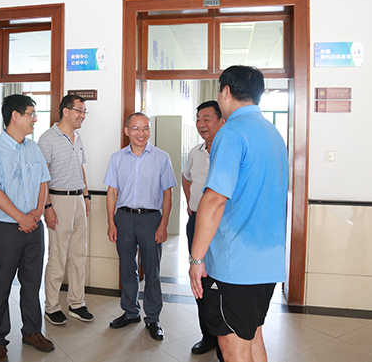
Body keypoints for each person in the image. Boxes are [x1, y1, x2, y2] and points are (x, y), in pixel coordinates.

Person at [189, 65, 288, 362]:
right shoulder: (272, 133)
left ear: (226, 91)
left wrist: (196, 259)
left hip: (236, 265)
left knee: (233, 347)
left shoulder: (231, 132)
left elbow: (215, 199)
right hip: (267, 262)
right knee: (253, 336)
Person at [0, 94, 53, 362]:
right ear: (15, 116)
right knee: (0, 286)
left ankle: (32, 331)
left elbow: (43, 181)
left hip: (34, 228)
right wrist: (21, 217)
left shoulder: (33, 148)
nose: (35, 119)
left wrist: (37, 211)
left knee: (32, 284)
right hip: (5, 230)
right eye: (31, 114)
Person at [104, 112, 177, 341]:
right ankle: (130, 312)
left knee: (152, 271)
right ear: (127, 131)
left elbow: (168, 193)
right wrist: (111, 223)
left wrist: (163, 224)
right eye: (136, 128)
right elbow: (112, 192)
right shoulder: (117, 158)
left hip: (150, 219)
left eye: (145, 128)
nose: (141, 133)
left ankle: (153, 318)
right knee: (127, 268)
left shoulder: (161, 157)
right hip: (124, 218)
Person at [38, 94, 94, 325]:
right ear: (66, 111)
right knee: (58, 256)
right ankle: (51, 307)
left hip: (78, 199)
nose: (83, 116)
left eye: (84, 111)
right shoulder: (47, 139)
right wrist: (47, 207)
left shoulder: (77, 138)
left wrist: (86, 195)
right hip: (58, 200)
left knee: (79, 254)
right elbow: (42, 177)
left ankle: (77, 304)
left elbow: (80, 168)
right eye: (79, 111)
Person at [181, 100, 224, 359]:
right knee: (200, 278)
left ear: (221, 121)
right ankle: (207, 335)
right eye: (198, 119)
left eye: (207, 119)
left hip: (221, 225)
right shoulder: (195, 152)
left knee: (222, 280)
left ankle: (224, 337)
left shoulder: (228, 150)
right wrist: (190, 203)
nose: (201, 124)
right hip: (196, 221)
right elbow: (186, 177)